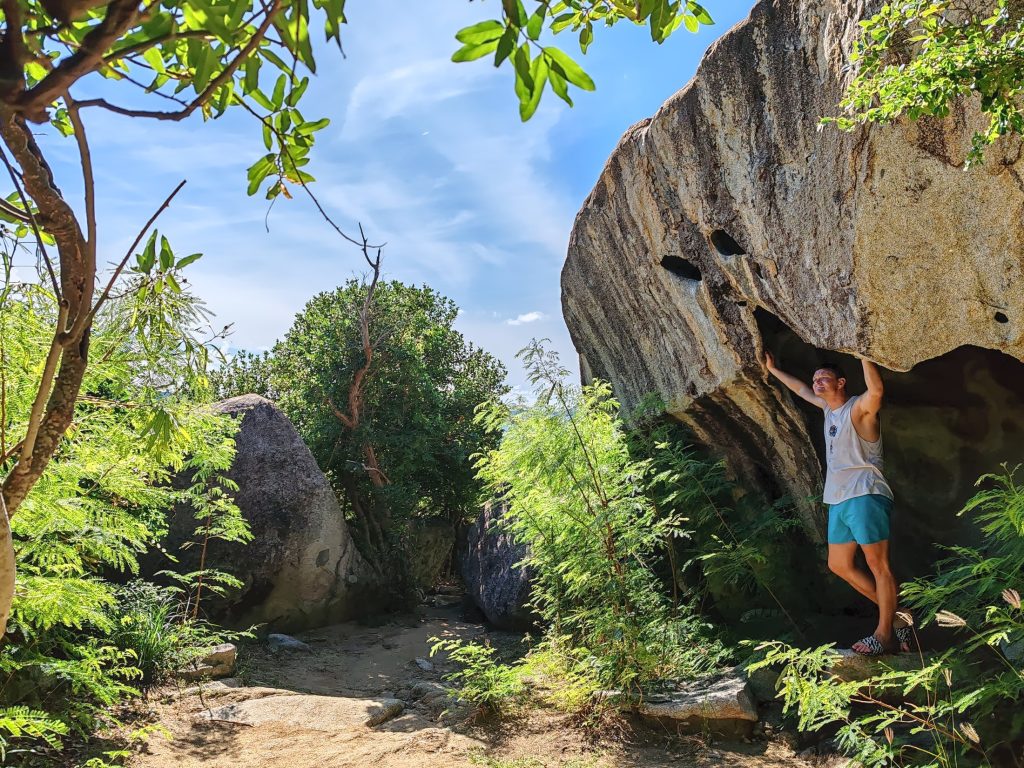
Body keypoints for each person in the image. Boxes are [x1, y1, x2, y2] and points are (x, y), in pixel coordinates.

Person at [763, 351, 910, 655]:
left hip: (865, 493)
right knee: (839, 564)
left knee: (878, 565)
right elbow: (800, 389)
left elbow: (876, 391)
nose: (817, 382)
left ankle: (884, 634)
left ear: (841, 383)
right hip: (838, 499)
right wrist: (773, 369)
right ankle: (899, 616)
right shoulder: (828, 411)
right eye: (816, 378)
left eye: (824, 378)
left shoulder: (858, 409)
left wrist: (863, 355)